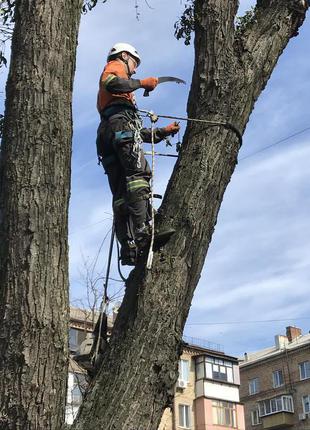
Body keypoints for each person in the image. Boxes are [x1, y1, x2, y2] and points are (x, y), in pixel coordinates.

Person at [96, 43, 180, 266]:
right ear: (124, 56)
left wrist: (163, 132)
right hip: (118, 129)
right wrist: (141, 83)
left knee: (122, 192)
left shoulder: (116, 109)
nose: (134, 70)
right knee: (138, 177)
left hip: (108, 134)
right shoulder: (115, 66)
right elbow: (112, 82)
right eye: (134, 63)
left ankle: (128, 247)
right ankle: (143, 234)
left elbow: (132, 133)